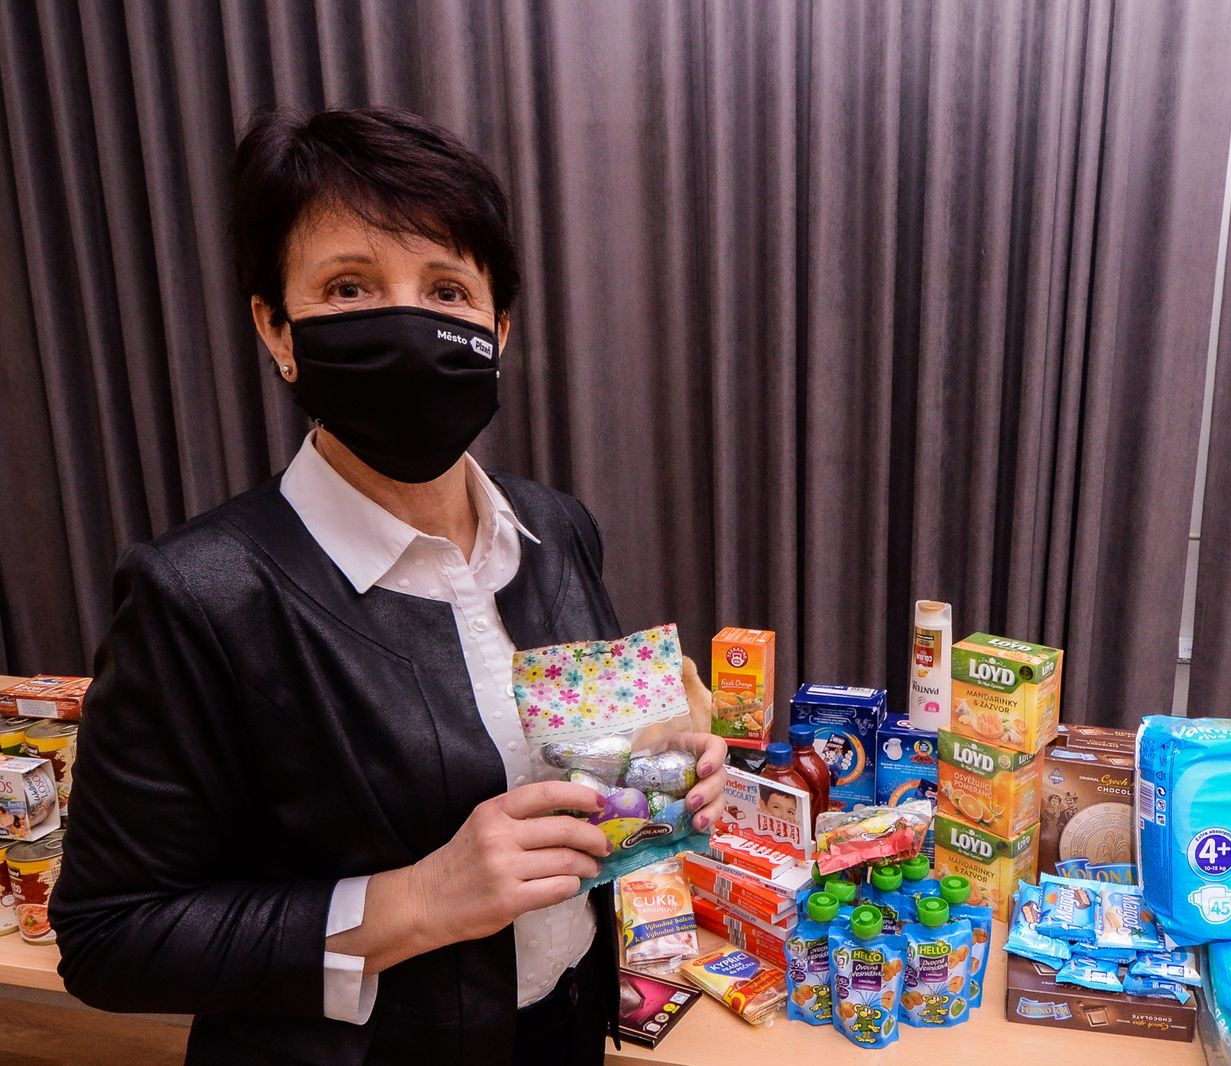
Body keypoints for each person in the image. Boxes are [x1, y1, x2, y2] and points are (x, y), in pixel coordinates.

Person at [49, 106, 728, 1065]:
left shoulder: (556, 527)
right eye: (350, 286)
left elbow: (578, 771)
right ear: (276, 328)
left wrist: (660, 780)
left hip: (567, 1030)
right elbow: (111, 936)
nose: (406, 324)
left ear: (497, 328)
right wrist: (418, 900)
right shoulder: (198, 594)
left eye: (447, 289)